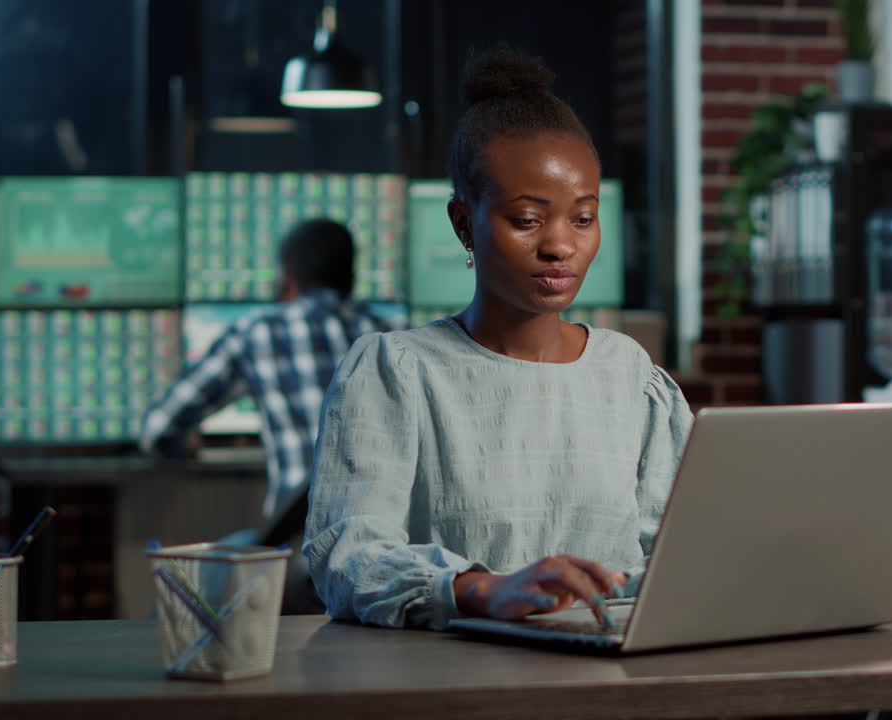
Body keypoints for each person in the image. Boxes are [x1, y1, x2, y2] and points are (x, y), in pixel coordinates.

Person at [303, 47, 694, 631]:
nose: (560, 245)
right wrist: (484, 589)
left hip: (607, 671)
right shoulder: (398, 371)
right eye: (528, 220)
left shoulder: (630, 376)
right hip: (450, 679)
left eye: (582, 219)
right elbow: (348, 559)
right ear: (464, 222)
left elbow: (678, 554)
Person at [140, 218, 394, 524]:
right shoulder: (393, 336)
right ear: (351, 277)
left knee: (221, 561)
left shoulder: (257, 333)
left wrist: (185, 446)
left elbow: (159, 427)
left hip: (303, 541)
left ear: (287, 278)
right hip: (390, 538)